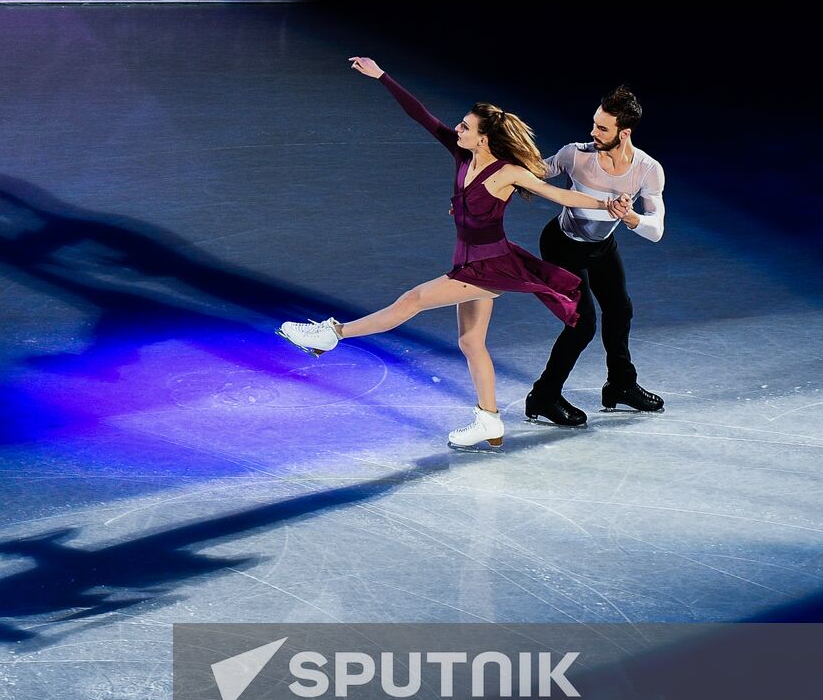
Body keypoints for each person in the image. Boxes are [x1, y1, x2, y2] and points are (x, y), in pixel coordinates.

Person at [277, 58, 630, 449]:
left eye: (465, 126)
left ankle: (331, 334)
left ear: (483, 138)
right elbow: (422, 116)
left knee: (412, 300)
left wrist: (608, 204)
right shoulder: (462, 155)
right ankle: (490, 421)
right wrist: (383, 77)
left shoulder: (508, 171)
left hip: (488, 265)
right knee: (470, 343)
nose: (457, 128)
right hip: (467, 260)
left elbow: (561, 194)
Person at [524, 86, 666, 426]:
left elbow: (656, 229)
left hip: (601, 248)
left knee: (620, 310)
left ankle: (620, 386)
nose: (593, 132)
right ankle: (543, 395)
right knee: (583, 324)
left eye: (602, 128)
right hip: (562, 245)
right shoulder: (576, 155)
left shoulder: (648, 169)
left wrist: (630, 218)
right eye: (594, 124)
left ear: (624, 132)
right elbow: (534, 173)